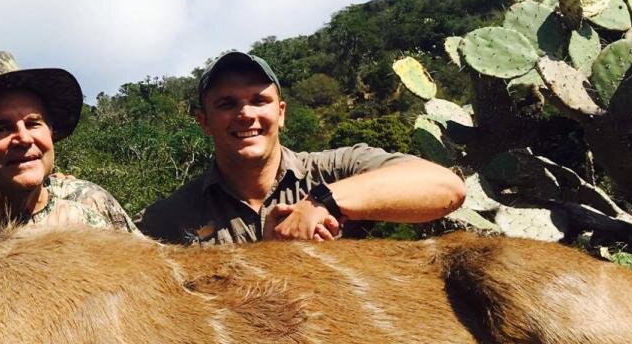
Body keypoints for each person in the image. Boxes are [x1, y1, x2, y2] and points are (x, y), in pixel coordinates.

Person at [139, 51, 465, 245]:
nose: (245, 114)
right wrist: (271, 252)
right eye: (227, 104)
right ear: (204, 121)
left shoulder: (337, 168)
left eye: (259, 101)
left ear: (280, 113)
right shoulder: (167, 218)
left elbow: (446, 188)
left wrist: (323, 203)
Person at [0, 51, 137, 237]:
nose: (24, 139)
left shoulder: (91, 205)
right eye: (2, 129)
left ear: (51, 133)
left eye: (33, 123)